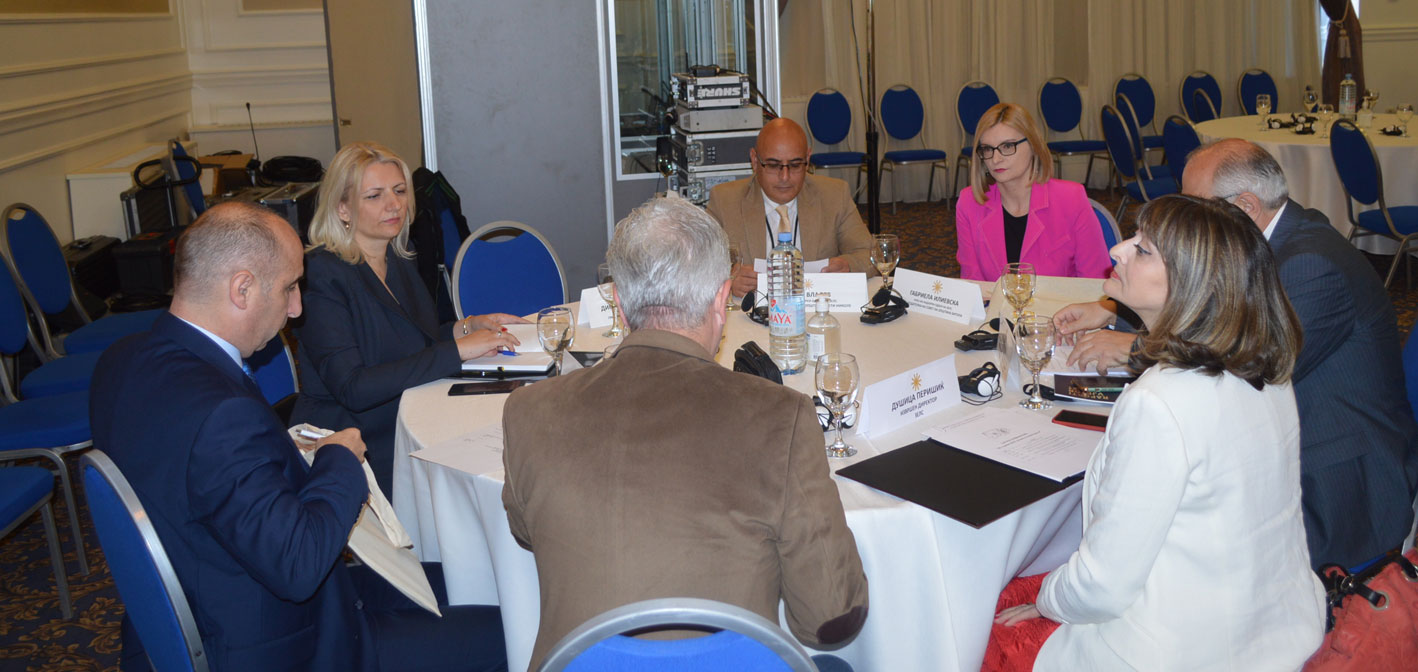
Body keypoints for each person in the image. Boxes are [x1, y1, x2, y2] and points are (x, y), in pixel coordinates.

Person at [90, 202, 505, 672]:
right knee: (509, 631)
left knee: (469, 580)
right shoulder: (221, 413)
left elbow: (202, 479)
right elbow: (299, 566)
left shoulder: (121, 362)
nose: (296, 308)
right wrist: (338, 459)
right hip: (282, 643)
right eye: (289, 287)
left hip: (212, 595)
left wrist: (281, 458)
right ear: (242, 288)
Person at [502, 195, 868, 671]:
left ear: (618, 303)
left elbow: (526, 533)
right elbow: (829, 619)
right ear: (721, 301)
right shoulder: (781, 417)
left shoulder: (529, 411)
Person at [988, 194, 1325, 671]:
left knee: (976, 628)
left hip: (1181, 652)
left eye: (1143, 249)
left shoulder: (1161, 402)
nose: (1117, 250)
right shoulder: (1264, 368)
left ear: (1191, 284)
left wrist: (1047, 601)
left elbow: (1101, 586)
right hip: (1278, 628)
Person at [1059, 139, 1418, 569]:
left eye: (1195, 204)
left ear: (1246, 206)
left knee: (1146, 528)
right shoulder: (1267, 240)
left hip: (1331, 483)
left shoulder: (1311, 264)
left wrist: (1139, 347)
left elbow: (1242, 366)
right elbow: (1203, 308)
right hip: (1278, 445)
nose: (1183, 219)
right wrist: (1113, 309)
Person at [293, 141, 522, 497]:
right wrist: (458, 350)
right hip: (355, 440)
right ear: (342, 208)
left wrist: (467, 327)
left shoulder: (398, 258)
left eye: (399, 191)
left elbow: (413, 341)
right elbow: (354, 387)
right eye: (375, 196)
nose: (394, 204)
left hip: (407, 413)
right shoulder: (321, 276)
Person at [707, 117, 875, 297]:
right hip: (751, 309)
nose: (785, 177)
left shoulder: (834, 195)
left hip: (816, 307)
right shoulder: (725, 201)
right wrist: (728, 279)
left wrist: (849, 266)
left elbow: (870, 254)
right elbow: (697, 265)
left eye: (795, 165)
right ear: (755, 161)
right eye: (773, 165)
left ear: (807, 159)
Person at [955, 102, 1112, 281]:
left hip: (1061, 300)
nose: (996, 159)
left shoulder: (1071, 199)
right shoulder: (969, 203)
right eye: (988, 149)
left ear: (1033, 145)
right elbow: (972, 284)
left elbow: (1095, 283)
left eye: (1007, 146)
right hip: (994, 301)